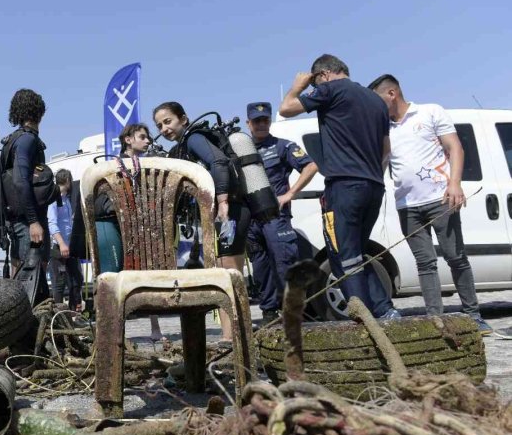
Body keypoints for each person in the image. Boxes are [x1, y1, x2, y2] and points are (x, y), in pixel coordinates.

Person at [279, 54, 401, 319]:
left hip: (344, 187)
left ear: (323, 75)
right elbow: (386, 151)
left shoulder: (329, 89)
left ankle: (365, 317)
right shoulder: (376, 100)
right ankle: (385, 310)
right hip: (373, 186)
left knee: (342, 256)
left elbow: (285, 109)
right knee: (356, 252)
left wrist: (299, 86)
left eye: (315, 83)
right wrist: (372, 177)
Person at [369, 74, 493, 334]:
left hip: (440, 199)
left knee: (455, 257)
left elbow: (455, 147)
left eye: (378, 100)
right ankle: (434, 320)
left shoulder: (430, 112)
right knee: (425, 263)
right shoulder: (384, 128)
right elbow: (382, 162)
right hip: (407, 207)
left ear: (391, 94)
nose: (376, 107)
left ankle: (473, 315)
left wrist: (455, 183)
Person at [154, 102, 249, 346]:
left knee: (228, 272)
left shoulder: (194, 138)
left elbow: (218, 162)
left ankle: (234, 336)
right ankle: (231, 335)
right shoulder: (181, 147)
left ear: (183, 119)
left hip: (228, 212)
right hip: (217, 216)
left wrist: (223, 201)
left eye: (168, 121)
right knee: (222, 273)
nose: (164, 129)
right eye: (159, 125)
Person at [244, 102, 319, 324]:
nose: (261, 124)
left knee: (285, 263)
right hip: (252, 221)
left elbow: (311, 166)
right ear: (248, 123)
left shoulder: (282, 146)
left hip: (276, 217)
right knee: (261, 267)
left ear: (270, 121)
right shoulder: (240, 151)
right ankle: (268, 313)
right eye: (256, 121)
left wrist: (291, 193)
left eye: (265, 120)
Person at [93, 123, 165, 339]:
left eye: (148, 137)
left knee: (147, 272)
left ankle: (155, 328)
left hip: (137, 225)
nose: (147, 141)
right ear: (128, 140)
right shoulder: (114, 165)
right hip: (110, 223)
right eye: (142, 137)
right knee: (110, 276)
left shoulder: (145, 165)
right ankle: (106, 330)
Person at [3, 89, 51, 269]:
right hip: (27, 223)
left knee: (20, 279)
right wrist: (33, 221)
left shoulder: (12, 140)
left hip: (17, 222)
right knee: (31, 282)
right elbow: (20, 180)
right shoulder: (27, 140)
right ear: (40, 111)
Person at [47, 169, 84, 311]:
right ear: (68, 180)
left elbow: (66, 222)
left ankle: (74, 312)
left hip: (70, 246)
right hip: (59, 246)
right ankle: (59, 315)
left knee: (76, 280)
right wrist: (61, 243)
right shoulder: (53, 200)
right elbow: (52, 223)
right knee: (59, 283)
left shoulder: (66, 200)